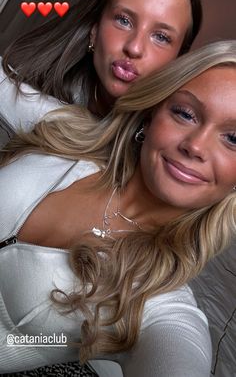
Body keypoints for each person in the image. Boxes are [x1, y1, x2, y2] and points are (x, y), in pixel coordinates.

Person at [1, 39, 236, 376]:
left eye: (234, 139)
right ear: (154, 112)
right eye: (185, 113)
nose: (195, 145)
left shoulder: (158, 304)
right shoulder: (70, 135)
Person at [0, 0, 202, 148]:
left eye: (161, 37)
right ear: (94, 30)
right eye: (124, 21)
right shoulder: (13, 94)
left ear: (178, 60)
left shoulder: (166, 152)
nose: (134, 47)